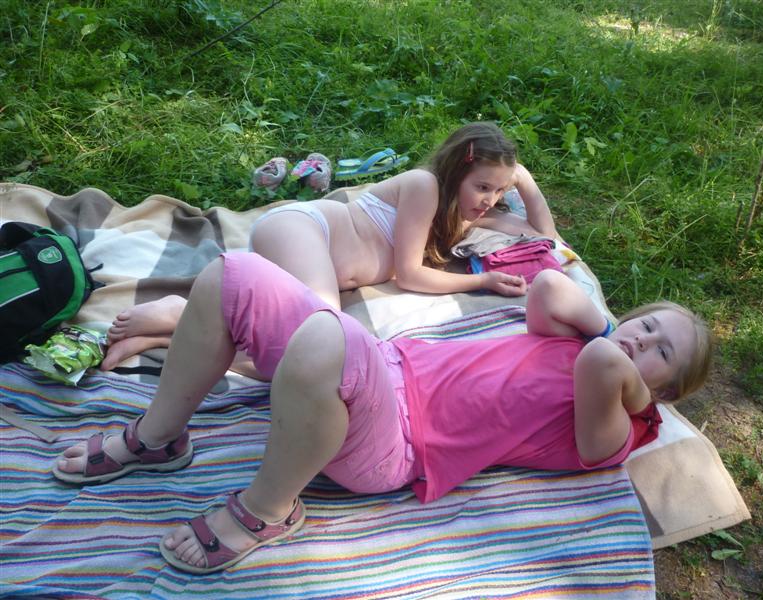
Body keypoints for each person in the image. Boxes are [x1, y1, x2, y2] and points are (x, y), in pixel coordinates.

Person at [53, 252, 713, 574]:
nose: (640, 342)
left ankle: (267, 509)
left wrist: (629, 380)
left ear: (666, 393)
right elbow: (547, 286)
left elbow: (602, 368)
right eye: (645, 325)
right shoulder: (583, 340)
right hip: (387, 369)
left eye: (661, 352)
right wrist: (608, 327)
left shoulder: (620, 425)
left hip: (396, 441)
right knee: (234, 273)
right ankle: (159, 437)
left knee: (327, 338)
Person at [100, 122, 557, 370]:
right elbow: (410, 275)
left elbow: (547, 238)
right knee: (321, 343)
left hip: (305, 255)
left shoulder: (465, 214)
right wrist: (483, 281)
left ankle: (169, 334)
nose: (490, 200)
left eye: (499, 190)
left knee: (289, 357)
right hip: (303, 230)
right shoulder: (425, 186)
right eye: (482, 186)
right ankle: (180, 312)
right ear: (457, 171)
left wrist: (525, 182)